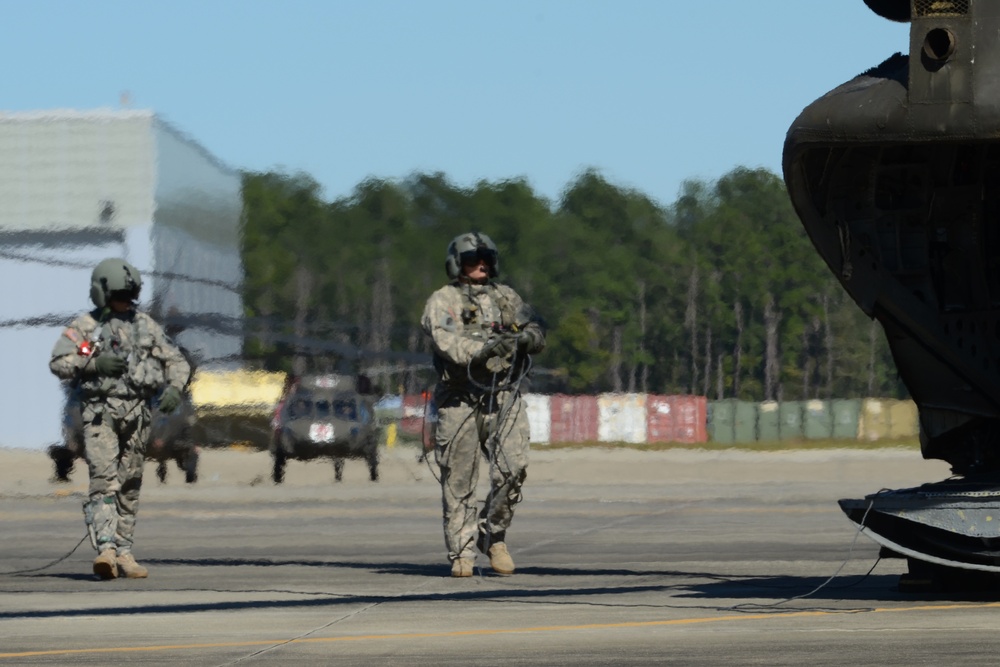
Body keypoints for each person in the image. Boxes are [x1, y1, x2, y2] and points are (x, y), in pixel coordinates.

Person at [49, 258, 191, 580]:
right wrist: (94, 365)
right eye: (117, 297)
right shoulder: (87, 327)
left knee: (130, 483)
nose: (123, 303)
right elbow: (59, 361)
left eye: (128, 297)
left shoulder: (145, 325)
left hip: (138, 414)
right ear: (103, 294)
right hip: (101, 414)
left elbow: (177, 361)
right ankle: (106, 549)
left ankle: (125, 551)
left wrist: (174, 388)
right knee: (104, 480)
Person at [421, 232, 545, 577]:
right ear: (456, 264)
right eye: (472, 260)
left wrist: (527, 337)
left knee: (514, 467)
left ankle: (493, 533)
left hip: (503, 393)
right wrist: (483, 350)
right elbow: (448, 343)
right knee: (459, 480)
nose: (480, 266)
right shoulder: (442, 301)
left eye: (486, 259)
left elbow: (535, 326)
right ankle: (461, 552)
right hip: (460, 399)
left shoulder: (506, 297)